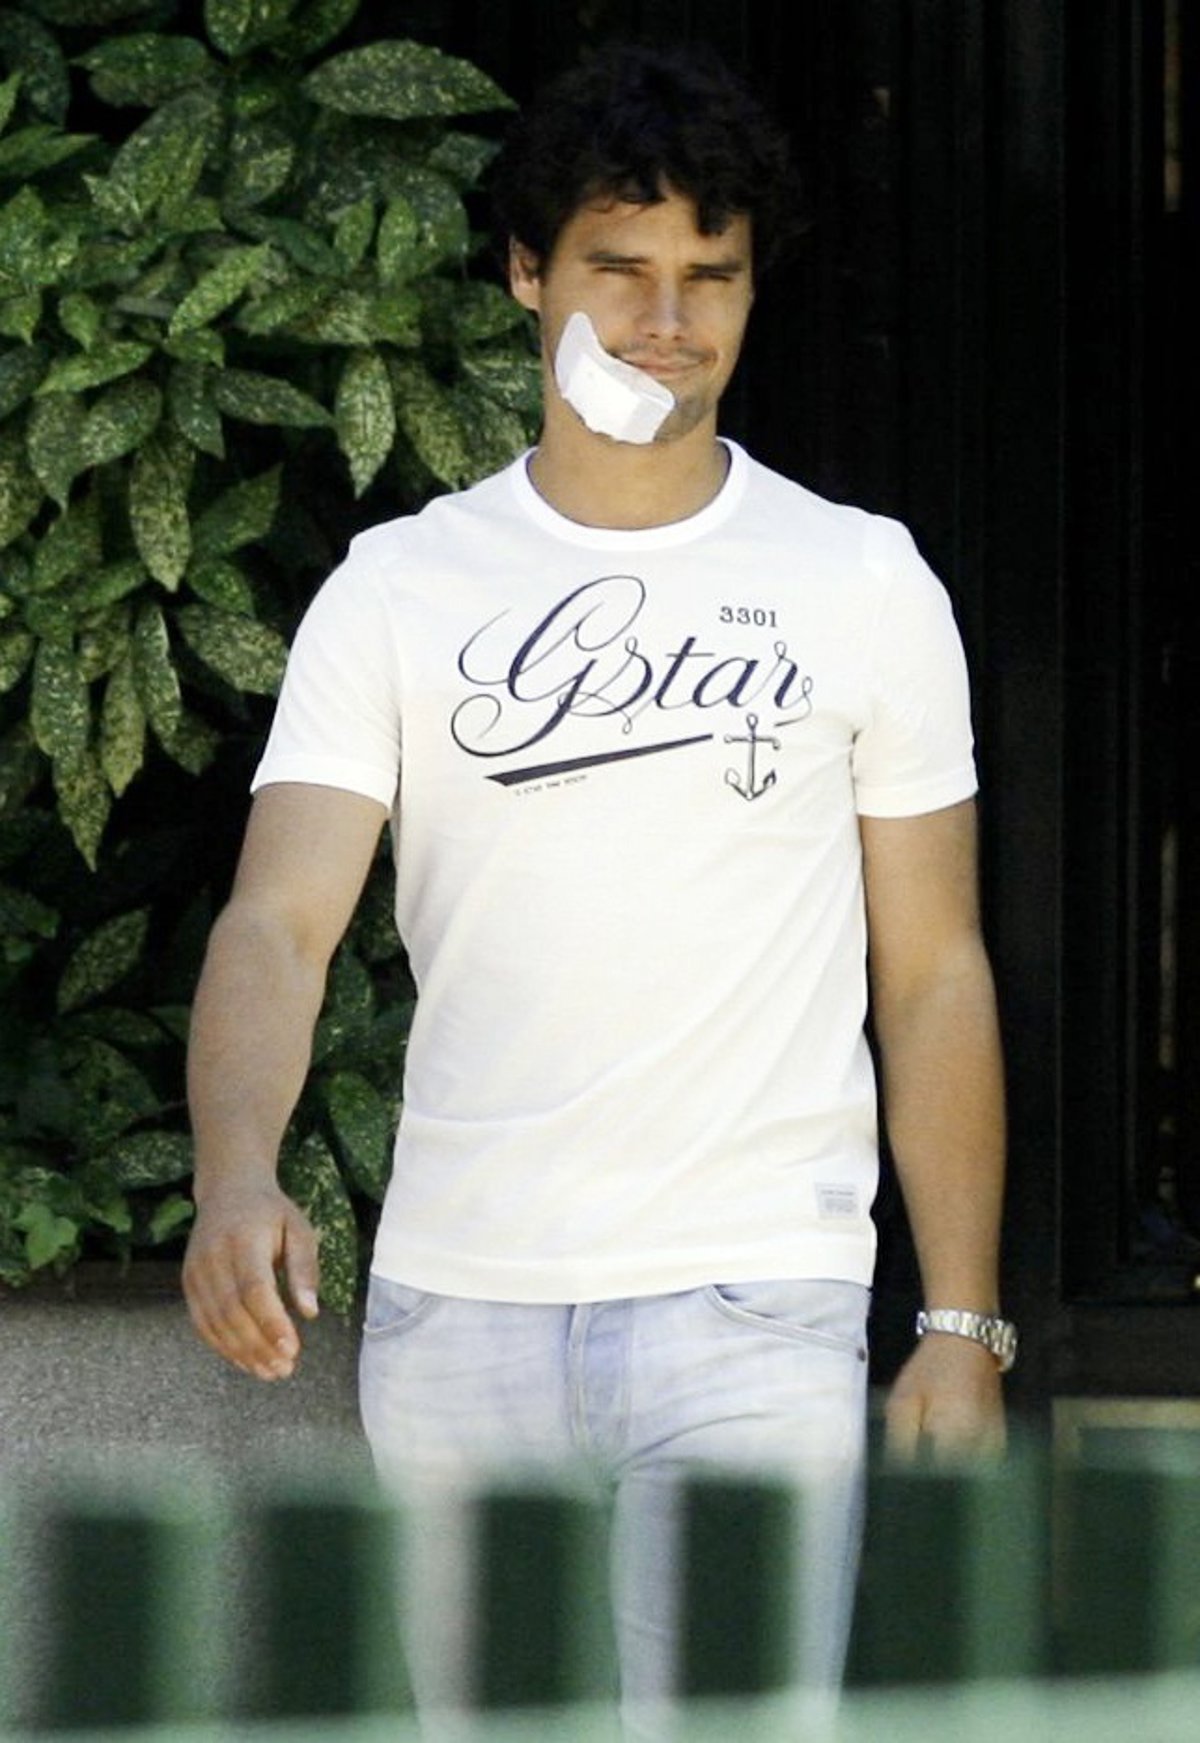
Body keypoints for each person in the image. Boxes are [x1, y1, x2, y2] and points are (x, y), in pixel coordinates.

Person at [183, 39, 1011, 1737]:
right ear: (526, 274)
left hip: (756, 1301)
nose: (667, 320)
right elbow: (278, 920)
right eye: (619, 268)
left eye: (713, 274)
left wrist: (962, 1320)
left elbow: (933, 970)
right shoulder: (401, 589)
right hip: (462, 1311)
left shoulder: (860, 581)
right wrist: (235, 1174)